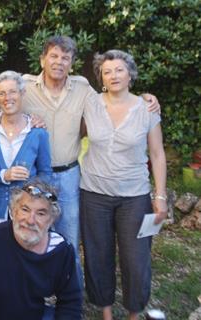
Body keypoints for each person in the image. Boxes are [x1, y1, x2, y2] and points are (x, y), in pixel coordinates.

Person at [22, 35, 161, 286]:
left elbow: (115, 95)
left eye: (66, 58)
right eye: (53, 56)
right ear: (42, 60)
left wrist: (147, 98)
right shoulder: (23, 86)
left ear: (72, 63)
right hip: (34, 176)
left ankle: (71, 294)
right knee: (31, 235)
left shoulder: (84, 90)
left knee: (70, 239)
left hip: (69, 175)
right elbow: (0, 100)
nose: (59, 62)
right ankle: (33, 291)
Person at [79, 49, 167, 320]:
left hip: (134, 196)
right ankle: (105, 312)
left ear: (130, 74)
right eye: (107, 71)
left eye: (119, 69)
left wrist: (160, 196)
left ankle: (133, 313)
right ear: (101, 78)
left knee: (136, 260)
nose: (114, 75)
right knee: (98, 255)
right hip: (93, 194)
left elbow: (157, 154)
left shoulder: (146, 108)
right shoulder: (90, 104)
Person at [0, 180, 82, 320]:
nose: (30, 220)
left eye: (41, 213)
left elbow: (70, 302)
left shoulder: (60, 250)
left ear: (51, 219)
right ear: (13, 212)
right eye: (25, 209)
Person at [0, 71, 52, 232]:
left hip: (25, 213)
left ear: (22, 94)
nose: (7, 98)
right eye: (1, 93)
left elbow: (45, 173)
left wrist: (33, 189)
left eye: (12, 92)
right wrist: (4, 175)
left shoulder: (38, 133)